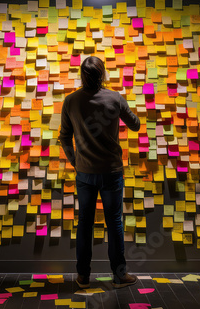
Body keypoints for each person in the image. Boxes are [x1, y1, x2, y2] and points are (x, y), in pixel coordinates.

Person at [59, 56, 141, 289]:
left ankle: (83, 276)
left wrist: (75, 160)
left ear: (82, 76)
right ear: (102, 74)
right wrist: (123, 108)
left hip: (84, 172)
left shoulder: (71, 101)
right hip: (111, 172)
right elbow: (135, 125)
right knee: (114, 222)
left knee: (84, 222)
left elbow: (64, 136)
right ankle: (119, 276)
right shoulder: (115, 98)